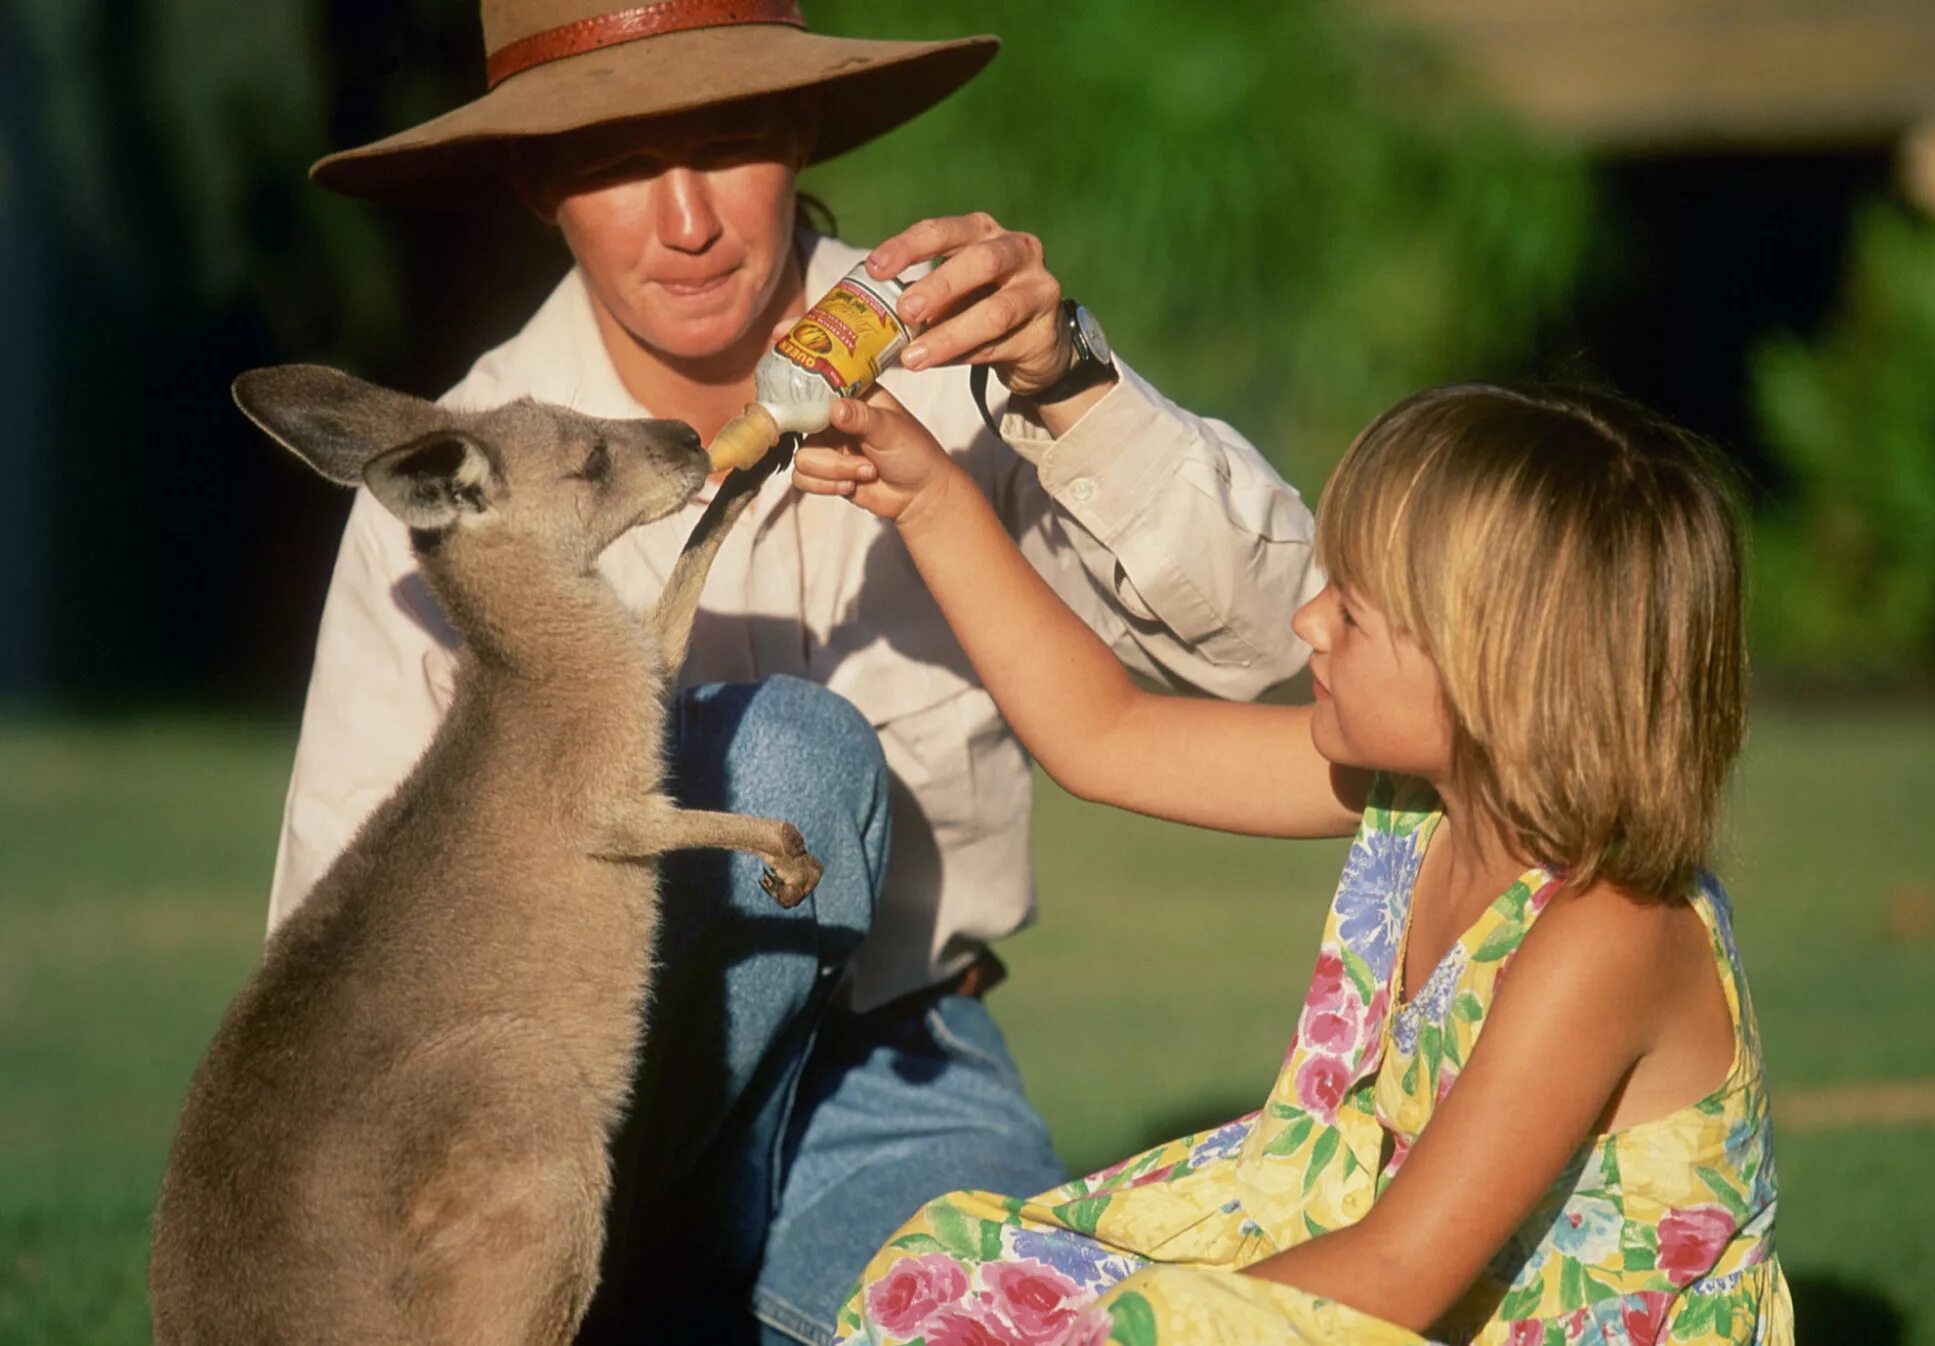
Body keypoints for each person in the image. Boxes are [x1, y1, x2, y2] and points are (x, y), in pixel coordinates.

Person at [275, 3, 1318, 1343]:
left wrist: (1071, 381)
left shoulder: (955, 360)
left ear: (799, 132)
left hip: (895, 1063)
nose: (688, 219)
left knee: (1014, 1322)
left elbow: (1274, 643)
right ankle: (631, 1274)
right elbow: (341, 960)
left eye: (729, 141)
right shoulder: (457, 487)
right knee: (788, 758)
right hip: (592, 1108)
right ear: (541, 183)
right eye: (616, 160)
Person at [802, 382, 1794, 1345]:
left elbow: (1394, 1275)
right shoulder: (1420, 799)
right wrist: (932, 498)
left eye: (1351, 613)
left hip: (1406, 1300)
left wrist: (1120, 1323)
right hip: (1390, 1302)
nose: (1307, 623)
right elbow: (1104, 735)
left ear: (1497, 671)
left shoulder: (1605, 932)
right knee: (964, 1274)